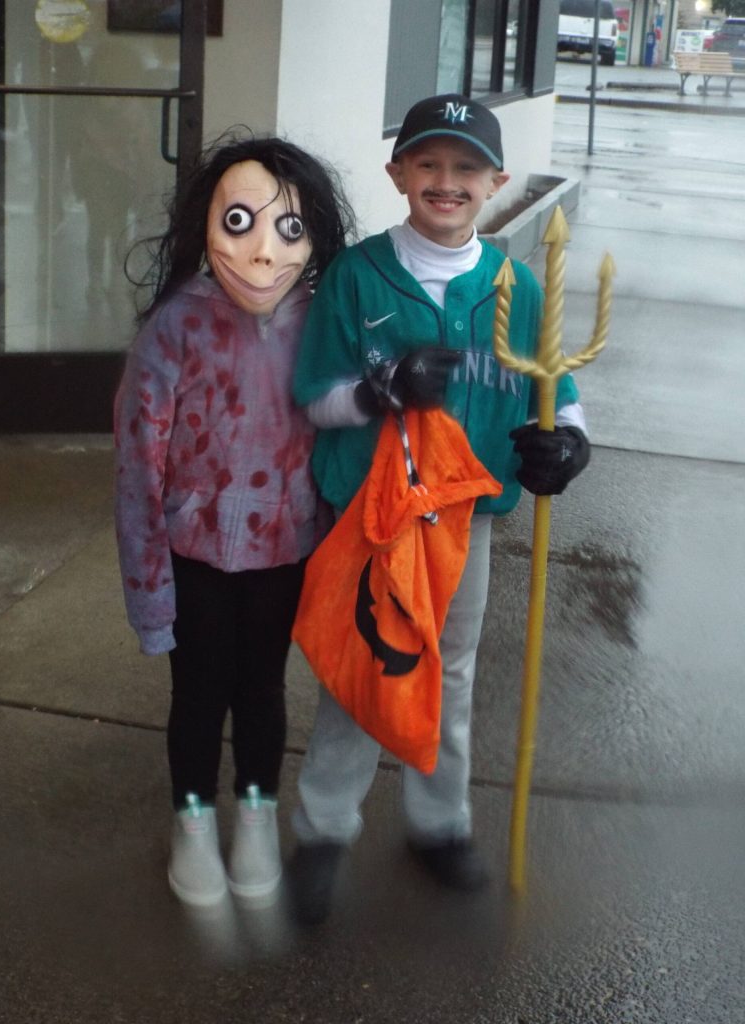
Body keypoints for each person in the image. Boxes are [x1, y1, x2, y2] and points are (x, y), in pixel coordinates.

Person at [287, 94, 590, 924]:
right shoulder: (355, 274)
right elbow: (314, 397)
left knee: (450, 670)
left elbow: (557, 396)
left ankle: (438, 824)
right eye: (428, 163)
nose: (445, 182)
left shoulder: (516, 285)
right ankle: (323, 829)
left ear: (495, 181)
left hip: (466, 520)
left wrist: (567, 445)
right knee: (361, 669)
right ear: (398, 174)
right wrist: (379, 390)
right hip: (369, 514)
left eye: (465, 168)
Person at [114, 132, 354, 908]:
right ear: (204, 226)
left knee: (262, 690)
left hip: (287, 551)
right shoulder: (175, 328)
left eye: (289, 230)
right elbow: (136, 469)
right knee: (198, 693)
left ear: (315, 234)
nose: (261, 256)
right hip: (195, 554)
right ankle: (192, 821)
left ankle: (254, 814)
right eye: (239, 223)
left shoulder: (321, 320)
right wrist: (149, 589)